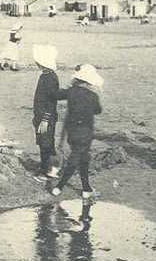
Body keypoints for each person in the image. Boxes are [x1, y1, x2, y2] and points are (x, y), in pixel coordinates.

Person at [51, 64, 104, 199]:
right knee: (77, 158)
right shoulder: (93, 95)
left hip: (71, 130)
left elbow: (55, 95)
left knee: (83, 157)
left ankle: (86, 188)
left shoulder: (71, 91)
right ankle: (59, 186)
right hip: (86, 131)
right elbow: (98, 110)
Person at [32, 44, 61, 179]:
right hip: (41, 115)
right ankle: (47, 167)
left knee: (46, 142)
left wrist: (45, 119)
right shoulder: (46, 75)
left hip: (46, 117)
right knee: (44, 141)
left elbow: (51, 101)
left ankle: (48, 171)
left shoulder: (50, 78)